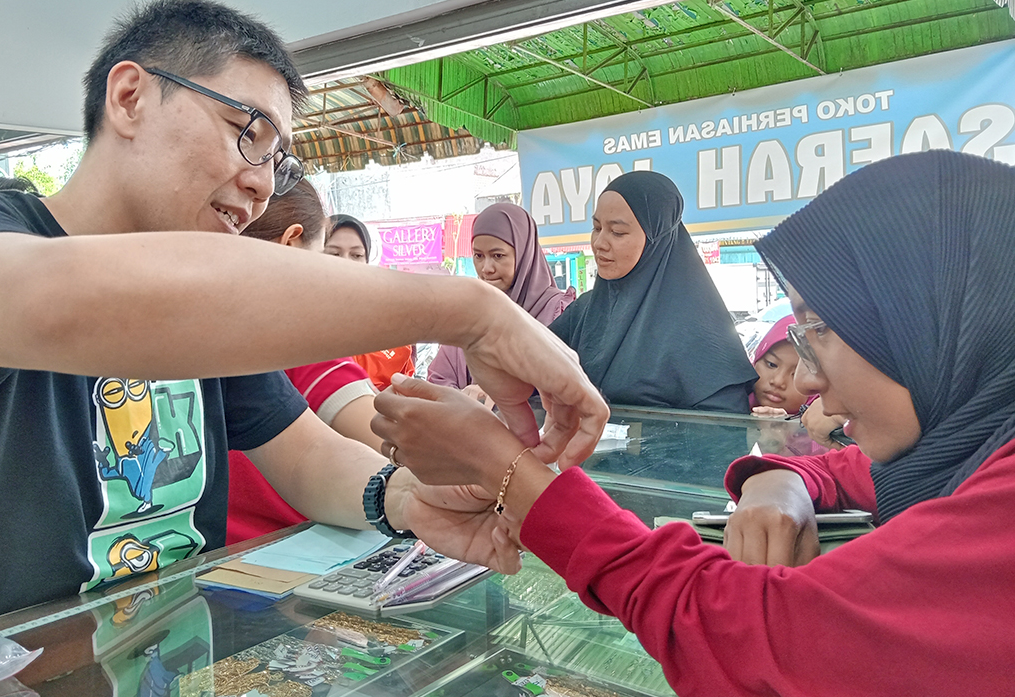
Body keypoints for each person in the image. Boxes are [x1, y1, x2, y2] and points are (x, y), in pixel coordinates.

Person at [0, 0, 607, 623]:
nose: (260, 184)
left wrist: (403, 498)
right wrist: (471, 311)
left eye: (277, 159)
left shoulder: (210, 317)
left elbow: (305, 454)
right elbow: (48, 304)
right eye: (245, 131)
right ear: (130, 96)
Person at [372, 151, 1015, 696]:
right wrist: (778, 479)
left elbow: (753, 633)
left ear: (927, 322)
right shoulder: (976, 435)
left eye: (819, 330)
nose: (809, 380)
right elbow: (847, 468)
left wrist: (505, 470)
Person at [227, 181, 382, 544]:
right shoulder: (299, 338)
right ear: (291, 245)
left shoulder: (211, 329)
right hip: (291, 555)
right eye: (327, 256)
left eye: (357, 256)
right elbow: (381, 435)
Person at [548, 171, 756, 411]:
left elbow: (722, 433)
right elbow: (528, 368)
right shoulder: (583, 313)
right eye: (596, 228)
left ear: (656, 237)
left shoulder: (697, 329)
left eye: (617, 232)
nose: (599, 243)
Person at [429, 203, 575, 405]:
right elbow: (438, 379)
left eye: (498, 256)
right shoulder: (466, 317)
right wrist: (463, 399)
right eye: (478, 256)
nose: (486, 268)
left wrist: (505, 392)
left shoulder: (559, 313)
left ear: (525, 253)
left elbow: (569, 386)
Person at [325, 214, 417, 390]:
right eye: (334, 254)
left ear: (367, 261)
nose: (345, 263)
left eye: (356, 255)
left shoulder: (395, 327)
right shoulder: (302, 324)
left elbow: (407, 387)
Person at [749, 314, 812, 417]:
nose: (778, 382)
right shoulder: (728, 403)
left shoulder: (831, 423)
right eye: (771, 364)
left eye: (796, 374)